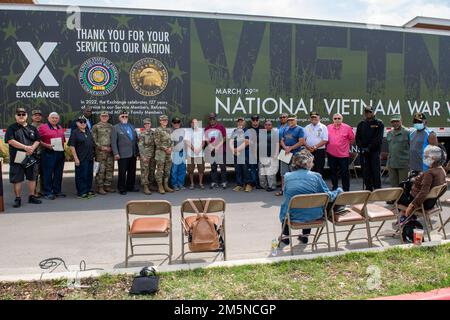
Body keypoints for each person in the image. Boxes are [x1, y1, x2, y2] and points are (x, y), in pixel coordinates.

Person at [279, 150, 342, 245]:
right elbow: (328, 196)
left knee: (287, 206)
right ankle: (305, 236)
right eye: (312, 162)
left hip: (292, 215)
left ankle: (286, 237)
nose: (313, 164)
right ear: (307, 163)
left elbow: (286, 195)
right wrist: (338, 191)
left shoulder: (287, 176)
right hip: (314, 215)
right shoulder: (316, 176)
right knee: (310, 203)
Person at [5, 107, 42, 208]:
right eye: (19, 114)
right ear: (15, 116)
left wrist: (32, 148)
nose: (21, 116)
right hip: (18, 157)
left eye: (23, 114)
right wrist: (25, 147)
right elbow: (10, 141)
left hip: (31, 156)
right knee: (17, 179)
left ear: (26, 116)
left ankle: (32, 196)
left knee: (32, 178)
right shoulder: (11, 128)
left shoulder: (32, 128)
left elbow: (38, 140)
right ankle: (18, 199)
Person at [399, 145, 446, 220]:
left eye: (426, 156)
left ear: (433, 158)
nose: (424, 158)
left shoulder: (429, 173)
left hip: (421, 203)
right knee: (406, 186)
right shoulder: (441, 170)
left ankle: (406, 218)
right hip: (431, 202)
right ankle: (408, 217)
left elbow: (424, 192)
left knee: (397, 197)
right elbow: (444, 188)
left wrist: (412, 205)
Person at [37, 112, 66, 200]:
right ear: (48, 118)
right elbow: (37, 140)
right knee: (47, 173)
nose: (54, 119)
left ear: (58, 119)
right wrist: (46, 145)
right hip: (48, 152)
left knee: (58, 173)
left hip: (60, 152)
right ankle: (48, 192)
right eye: (52, 118)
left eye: (56, 118)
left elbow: (63, 140)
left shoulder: (60, 127)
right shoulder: (42, 127)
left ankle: (57, 191)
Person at [355, 106, 384, 191]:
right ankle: (368, 188)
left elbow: (378, 138)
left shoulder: (379, 123)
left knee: (375, 171)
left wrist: (369, 147)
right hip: (364, 152)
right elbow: (357, 138)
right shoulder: (361, 124)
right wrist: (362, 147)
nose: (368, 114)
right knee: (365, 171)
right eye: (366, 112)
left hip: (374, 152)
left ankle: (377, 189)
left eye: (370, 112)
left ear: (374, 112)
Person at [111, 110, 139, 195]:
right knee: (122, 172)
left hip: (132, 153)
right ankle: (121, 188)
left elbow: (136, 140)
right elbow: (113, 142)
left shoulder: (132, 126)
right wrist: (116, 153)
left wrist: (137, 152)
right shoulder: (115, 127)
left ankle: (130, 186)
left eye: (126, 116)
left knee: (132, 171)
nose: (124, 118)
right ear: (119, 117)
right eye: (123, 116)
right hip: (122, 154)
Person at [276, 114, 305, 196]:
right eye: (289, 120)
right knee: (283, 173)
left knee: (295, 173)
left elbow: (301, 142)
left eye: (292, 120)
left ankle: (294, 191)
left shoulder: (300, 129)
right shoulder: (285, 129)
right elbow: (281, 140)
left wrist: (290, 148)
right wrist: (285, 148)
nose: (291, 121)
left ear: (296, 120)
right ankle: (283, 190)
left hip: (295, 153)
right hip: (285, 152)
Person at [68, 116, 95, 199]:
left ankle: (88, 190)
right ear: (77, 123)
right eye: (81, 122)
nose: (83, 123)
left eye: (84, 122)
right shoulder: (75, 132)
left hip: (90, 157)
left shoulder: (88, 131)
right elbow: (72, 146)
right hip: (81, 158)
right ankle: (81, 192)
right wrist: (76, 158)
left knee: (89, 175)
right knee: (81, 175)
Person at [326, 113, 355, 191]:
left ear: (342, 119)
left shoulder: (347, 127)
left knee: (344, 173)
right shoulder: (328, 127)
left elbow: (352, 139)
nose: (337, 120)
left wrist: (344, 146)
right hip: (331, 154)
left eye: (339, 118)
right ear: (333, 119)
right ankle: (334, 187)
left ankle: (346, 189)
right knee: (333, 172)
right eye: (335, 118)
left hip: (343, 155)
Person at [92, 111, 115, 195]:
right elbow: (93, 139)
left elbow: (114, 138)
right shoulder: (96, 127)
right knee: (101, 170)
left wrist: (112, 148)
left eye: (106, 116)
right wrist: (101, 147)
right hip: (100, 152)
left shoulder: (111, 126)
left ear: (108, 117)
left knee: (110, 168)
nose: (104, 117)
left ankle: (107, 185)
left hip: (110, 151)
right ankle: (100, 187)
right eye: (103, 116)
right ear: (100, 117)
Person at [205, 112, 227, 189]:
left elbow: (224, 138)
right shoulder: (207, 128)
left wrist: (217, 146)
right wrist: (209, 145)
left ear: (216, 118)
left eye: (213, 118)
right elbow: (206, 139)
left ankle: (224, 182)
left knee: (223, 167)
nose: (212, 120)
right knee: (213, 167)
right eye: (210, 118)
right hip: (212, 151)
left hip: (220, 150)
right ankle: (214, 182)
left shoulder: (221, 127)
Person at [386, 116, 410, 187]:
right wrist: (388, 163)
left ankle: (402, 198)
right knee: (393, 186)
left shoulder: (407, 132)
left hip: (403, 164)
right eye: (393, 122)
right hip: (392, 164)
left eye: (397, 121)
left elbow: (412, 148)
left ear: (401, 121)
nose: (395, 123)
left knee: (403, 186)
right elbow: (390, 149)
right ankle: (395, 198)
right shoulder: (389, 133)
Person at [304, 111, 328, 176]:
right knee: (309, 169)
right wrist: (308, 147)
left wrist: (315, 147)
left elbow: (325, 140)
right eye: (312, 117)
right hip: (309, 151)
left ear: (319, 118)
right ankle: (310, 185)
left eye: (315, 117)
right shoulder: (307, 127)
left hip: (319, 151)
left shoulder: (323, 127)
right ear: (310, 118)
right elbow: (303, 139)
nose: (314, 118)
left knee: (319, 169)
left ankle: (317, 185)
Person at [229, 117, 250, 192]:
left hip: (244, 153)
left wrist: (237, 149)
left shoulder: (246, 131)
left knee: (245, 169)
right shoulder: (234, 131)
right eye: (239, 122)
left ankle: (247, 185)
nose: (240, 123)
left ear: (244, 123)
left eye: (242, 121)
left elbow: (247, 142)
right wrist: (233, 149)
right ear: (237, 123)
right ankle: (239, 185)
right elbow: (231, 141)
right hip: (236, 153)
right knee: (238, 170)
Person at [154, 115, 174, 194]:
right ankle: (160, 186)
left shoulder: (169, 130)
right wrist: (166, 149)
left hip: (168, 153)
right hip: (160, 153)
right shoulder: (157, 130)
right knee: (160, 170)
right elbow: (157, 142)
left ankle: (166, 185)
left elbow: (172, 140)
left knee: (167, 170)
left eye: (166, 120)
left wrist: (171, 148)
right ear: (160, 121)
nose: (165, 121)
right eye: (163, 120)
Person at [184, 118, 206, 189]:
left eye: (196, 123)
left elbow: (203, 142)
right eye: (193, 123)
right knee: (190, 170)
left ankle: (200, 183)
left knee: (201, 170)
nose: (194, 124)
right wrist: (194, 149)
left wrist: (199, 149)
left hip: (200, 154)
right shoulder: (188, 131)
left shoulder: (201, 131)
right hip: (191, 154)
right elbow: (187, 141)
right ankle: (192, 183)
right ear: (191, 124)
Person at [258, 120, 279, 192]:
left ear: (271, 126)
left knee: (270, 173)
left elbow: (277, 144)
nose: (267, 126)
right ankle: (263, 185)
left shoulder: (274, 133)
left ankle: (272, 186)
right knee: (262, 172)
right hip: (262, 156)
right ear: (264, 126)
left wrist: (276, 154)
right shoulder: (261, 133)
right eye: (266, 124)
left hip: (271, 155)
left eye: (269, 125)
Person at [138, 118, 156, 195]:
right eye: (145, 124)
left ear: (150, 124)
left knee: (152, 170)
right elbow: (140, 146)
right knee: (145, 171)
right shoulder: (142, 134)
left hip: (153, 155)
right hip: (145, 156)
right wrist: (143, 157)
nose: (147, 125)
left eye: (148, 123)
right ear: (144, 125)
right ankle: (145, 186)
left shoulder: (153, 133)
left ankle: (151, 184)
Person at [170, 117, 186, 191]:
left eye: (178, 122)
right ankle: (174, 184)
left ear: (180, 123)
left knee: (182, 169)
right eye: (175, 122)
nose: (176, 124)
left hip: (182, 152)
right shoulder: (170, 131)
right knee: (174, 169)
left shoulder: (183, 131)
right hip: (174, 152)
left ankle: (181, 183)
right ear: (172, 123)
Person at [31, 109, 44, 197]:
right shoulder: (28, 127)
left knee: (43, 173)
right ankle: (34, 191)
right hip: (33, 153)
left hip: (44, 152)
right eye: (35, 115)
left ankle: (42, 190)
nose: (37, 116)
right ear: (32, 117)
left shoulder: (45, 126)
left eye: (39, 115)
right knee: (34, 173)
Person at [247, 115, 261, 189]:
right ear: (251, 121)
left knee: (259, 168)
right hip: (252, 151)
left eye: (256, 120)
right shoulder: (248, 129)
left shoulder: (262, 128)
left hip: (261, 152)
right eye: (253, 120)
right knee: (252, 168)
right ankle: (254, 182)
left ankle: (259, 182)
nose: (255, 122)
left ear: (258, 121)